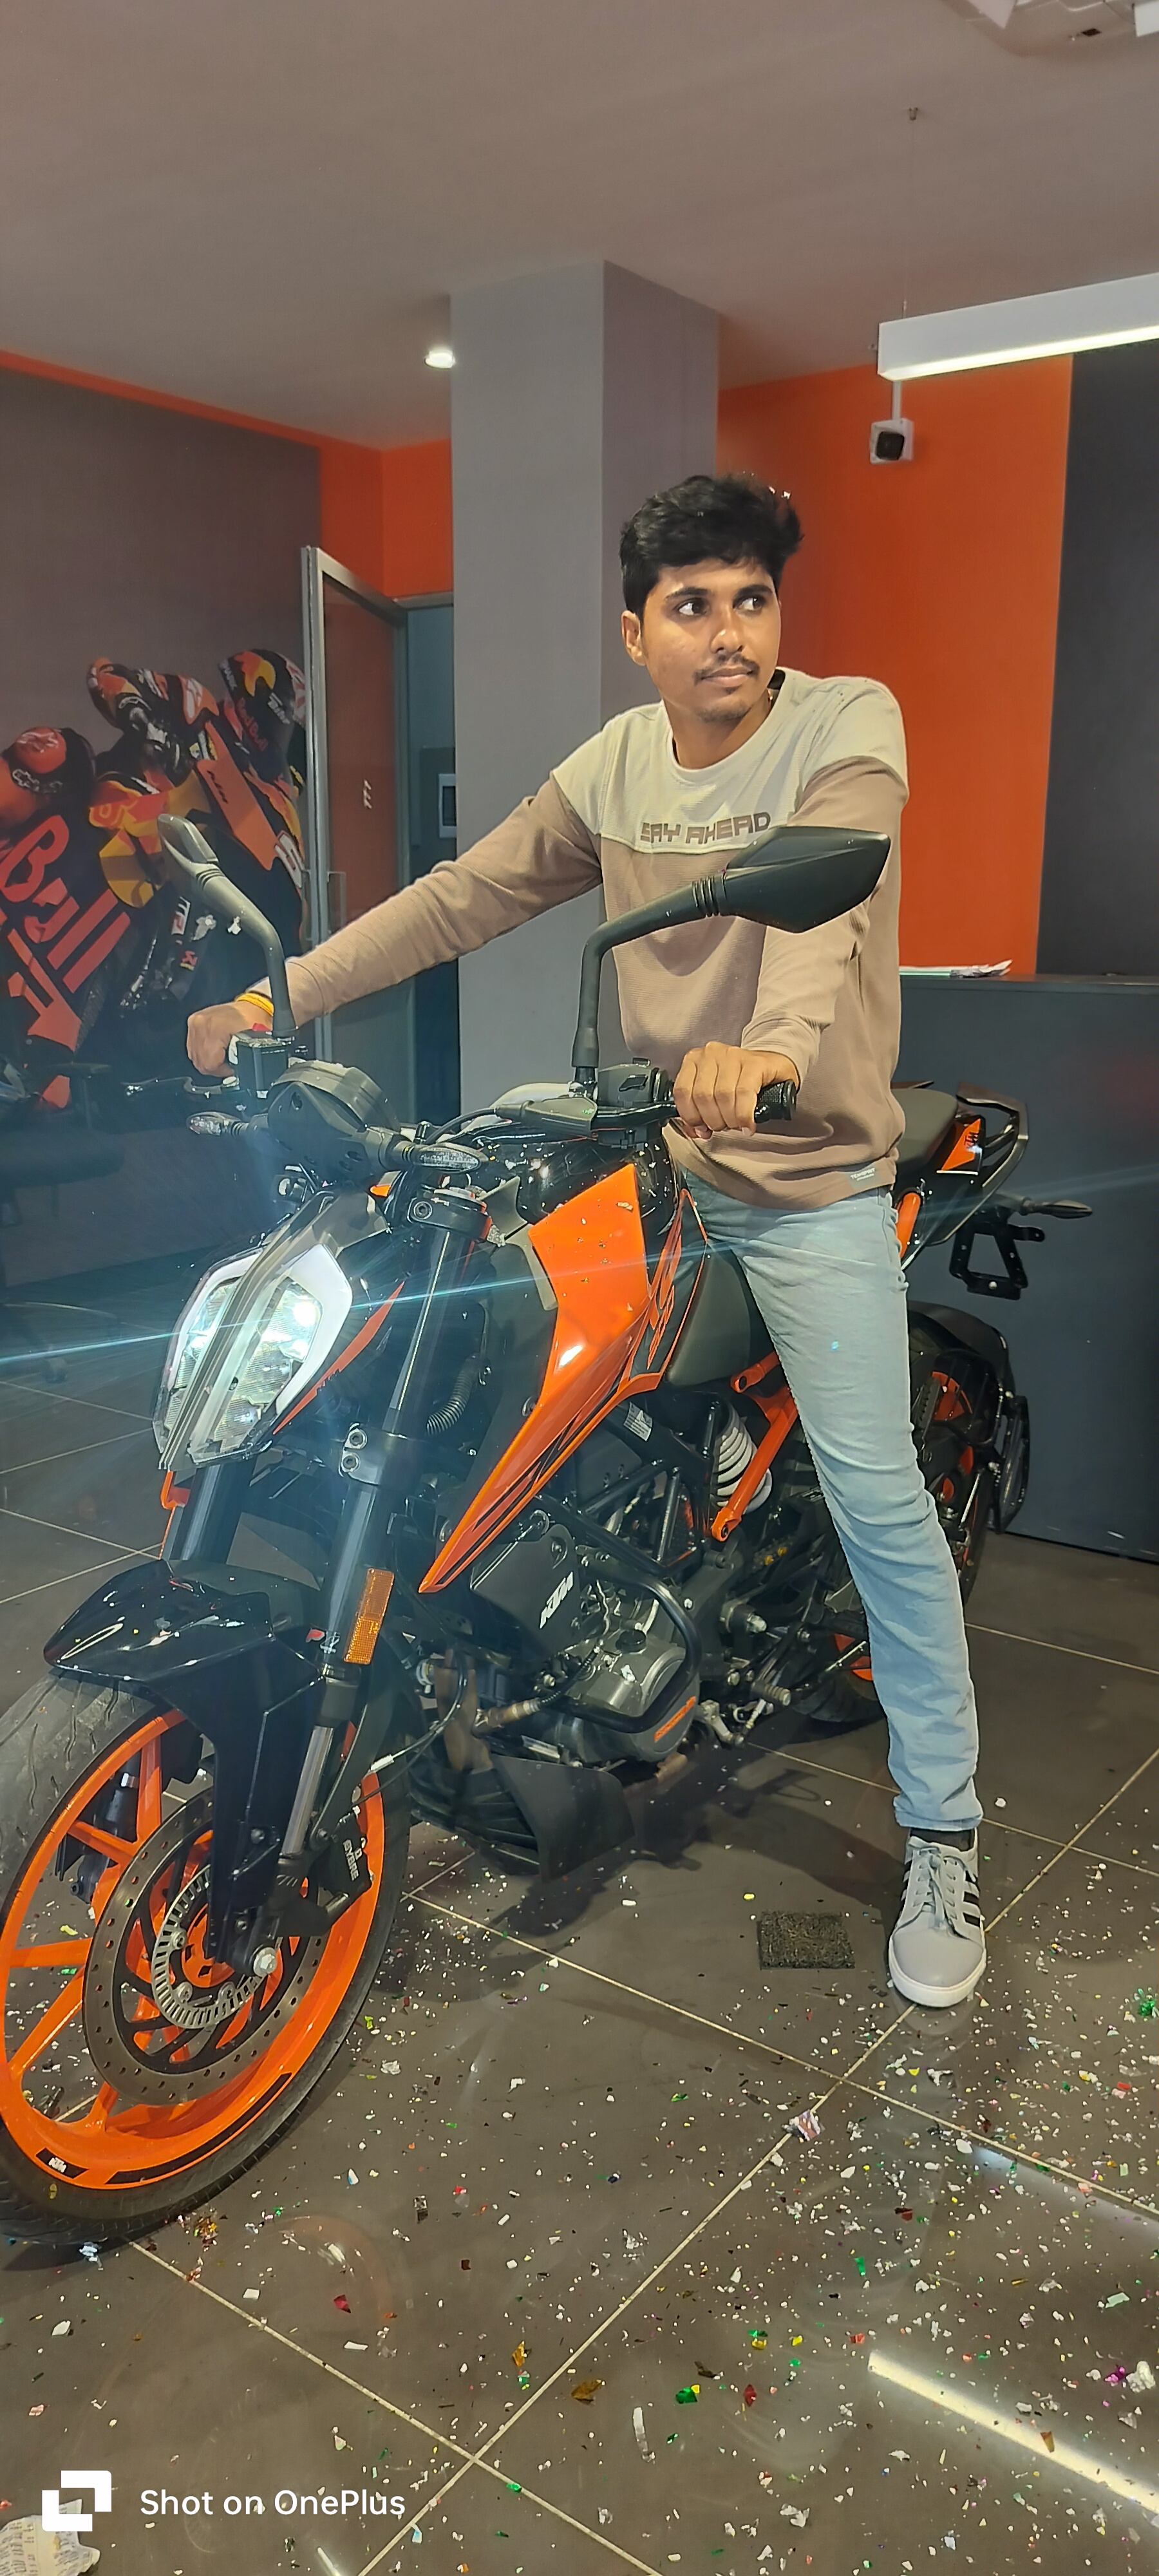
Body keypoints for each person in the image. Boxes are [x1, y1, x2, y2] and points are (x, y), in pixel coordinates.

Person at [187, 471, 985, 2012]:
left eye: (751, 598)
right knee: (520, 1382)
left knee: (880, 1496)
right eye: (692, 605)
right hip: (661, 1156)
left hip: (808, 1178)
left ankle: (947, 1830)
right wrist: (278, 995)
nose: (728, 631)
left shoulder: (847, 725)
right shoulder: (618, 766)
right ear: (638, 633)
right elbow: (462, 895)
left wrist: (770, 1050)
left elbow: (823, 914)